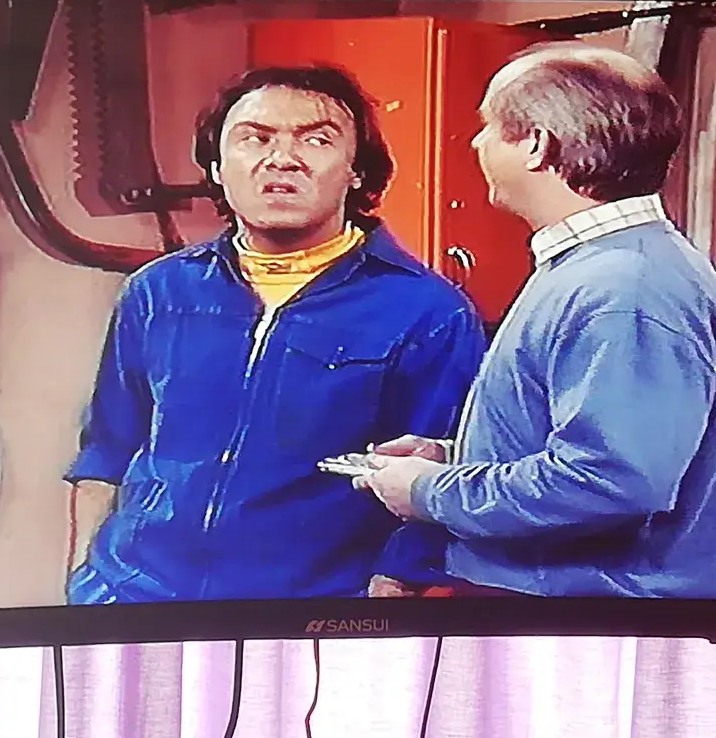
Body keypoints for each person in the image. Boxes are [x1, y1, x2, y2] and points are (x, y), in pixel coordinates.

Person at [65, 64, 486, 603]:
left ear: (357, 171)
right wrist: (80, 592)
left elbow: (442, 485)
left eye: (316, 140)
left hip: (308, 616)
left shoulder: (429, 312)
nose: (283, 158)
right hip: (134, 598)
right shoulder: (158, 290)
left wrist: (382, 607)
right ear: (217, 168)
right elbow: (107, 453)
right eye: (255, 138)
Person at [358, 42, 716, 598]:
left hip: (583, 614)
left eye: (490, 126)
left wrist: (432, 493)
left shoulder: (624, 287)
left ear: (537, 145)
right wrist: (458, 458)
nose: (476, 143)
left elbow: (610, 481)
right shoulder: (598, 267)